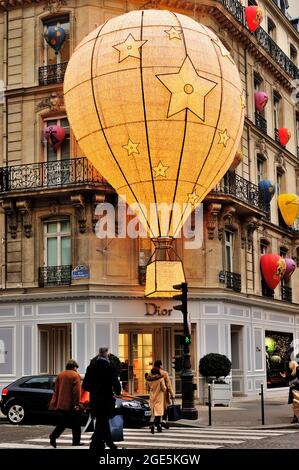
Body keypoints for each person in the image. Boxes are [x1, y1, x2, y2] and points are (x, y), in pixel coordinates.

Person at [82, 347, 121, 453]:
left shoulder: (91, 368)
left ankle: (107, 443)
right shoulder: (110, 368)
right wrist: (117, 392)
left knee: (101, 421)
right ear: (106, 356)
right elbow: (117, 386)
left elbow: (85, 385)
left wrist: (95, 390)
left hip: (95, 400)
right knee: (102, 421)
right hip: (106, 400)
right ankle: (95, 443)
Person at [48, 359, 82, 448]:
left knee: (68, 423)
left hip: (61, 403)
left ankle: (74, 441)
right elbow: (76, 392)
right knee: (74, 423)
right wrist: (77, 404)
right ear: (74, 367)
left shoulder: (60, 375)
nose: (76, 369)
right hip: (70, 404)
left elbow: (56, 389)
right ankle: (55, 436)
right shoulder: (75, 375)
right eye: (76, 368)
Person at [153, 359, 174, 429]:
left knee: (158, 408)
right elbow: (168, 385)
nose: (162, 366)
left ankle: (158, 422)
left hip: (154, 393)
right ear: (160, 365)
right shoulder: (164, 373)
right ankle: (163, 421)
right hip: (164, 393)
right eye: (161, 364)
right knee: (166, 407)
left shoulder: (152, 373)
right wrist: (172, 394)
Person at [146, 366, 166, 434]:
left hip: (152, 397)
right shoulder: (160, 379)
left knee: (154, 412)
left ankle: (158, 427)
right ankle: (153, 425)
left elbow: (148, 389)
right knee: (159, 413)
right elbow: (163, 388)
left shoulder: (148, 379)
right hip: (159, 397)